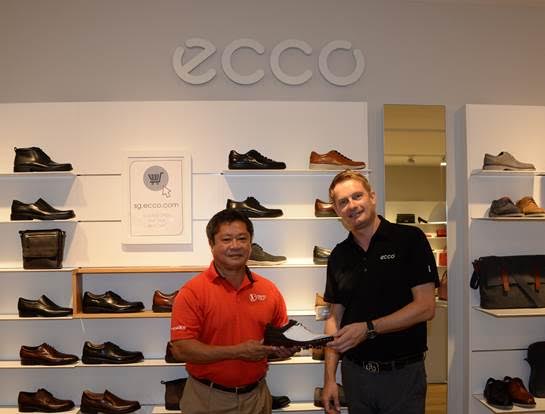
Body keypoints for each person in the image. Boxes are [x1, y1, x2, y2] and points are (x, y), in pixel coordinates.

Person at [322, 170, 439, 414]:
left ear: (372, 197)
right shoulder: (338, 255)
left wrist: (368, 328)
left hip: (403, 375)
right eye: (343, 202)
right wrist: (330, 378)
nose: (352, 205)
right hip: (355, 375)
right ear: (337, 210)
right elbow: (334, 318)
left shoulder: (410, 239)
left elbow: (426, 307)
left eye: (357, 196)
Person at [169, 209, 298, 414]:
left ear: (250, 243)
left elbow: (279, 337)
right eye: (226, 239)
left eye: (242, 238)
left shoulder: (269, 290)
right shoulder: (192, 292)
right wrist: (237, 351)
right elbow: (181, 349)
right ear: (211, 244)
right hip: (207, 399)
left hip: (257, 397)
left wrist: (284, 348)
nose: (235, 246)